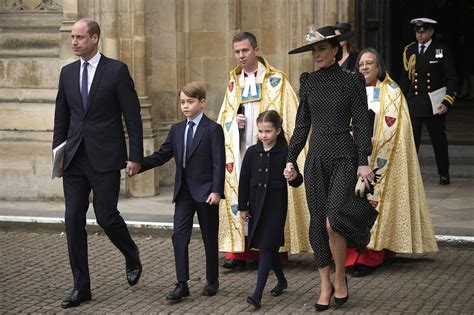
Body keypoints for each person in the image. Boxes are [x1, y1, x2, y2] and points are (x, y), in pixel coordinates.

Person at [53, 18, 143, 309]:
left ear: (94, 39)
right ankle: (81, 287)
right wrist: (58, 154)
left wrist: (135, 156)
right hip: (74, 158)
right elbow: (61, 117)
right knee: (73, 219)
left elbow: (132, 116)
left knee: (106, 217)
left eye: (80, 37)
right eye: (72, 37)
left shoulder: (116, 71)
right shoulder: (67, 73)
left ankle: (131, 253)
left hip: (105, 157)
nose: (74, 41)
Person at [286, 25, 378, 311]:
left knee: (334, 219)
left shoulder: (352, 81)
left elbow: (362, 123)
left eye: (322, 49)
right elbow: (302, 125)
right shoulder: (309, 82)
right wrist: (290, 158)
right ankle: (325, 284)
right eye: (314, 51)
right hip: (316, 159)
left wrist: (363, 161)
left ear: (336, 49)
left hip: (344, 156)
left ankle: (341, 278)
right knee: (317, 224)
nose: (317, 55)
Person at [218, 32, 311, 269]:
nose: (241, 56)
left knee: (269, 197)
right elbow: (223, 119)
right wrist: (233, 124)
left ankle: (271, 251)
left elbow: (291, 119)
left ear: (256, 50)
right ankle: (240, 253)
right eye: (237, 51)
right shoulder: (233, 82)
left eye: (245, 50)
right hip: (242, 152)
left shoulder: (277, 81)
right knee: (245, 192)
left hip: (271, 151)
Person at [345, 48, 438, 277]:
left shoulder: (392, 91)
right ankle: (352, 252)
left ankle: (370, 254)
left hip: (380, 158)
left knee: (374, 202)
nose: (364, 67)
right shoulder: (350, 90)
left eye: (369, 63)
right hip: (354, 156)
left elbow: (400, 127)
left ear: (378, 67)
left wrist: (378, 140)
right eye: (361, 64)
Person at [139, 81, 225, 303]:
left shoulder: (213, 129)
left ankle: (212, 279)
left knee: (209, 238)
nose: (185, 106)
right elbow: (163, 155)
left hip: (206, 193)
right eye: (182, 102)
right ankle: (182, 283)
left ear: (202, 102)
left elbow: (218, 162)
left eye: (190, 102)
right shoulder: (177, 130)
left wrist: (217, 191)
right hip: (183, 193)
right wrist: (139, 165)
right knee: (179, 236)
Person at [238, 110, 303, 309]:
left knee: (266, 247)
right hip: (257, 206)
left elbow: (297, 179)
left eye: (268, 131)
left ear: (277, 130)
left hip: (276, 207)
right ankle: (282, 280)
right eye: (260, 131)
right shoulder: (251, 152)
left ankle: (257, 294)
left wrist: (291, 177)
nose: (263, 135)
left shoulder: (285, 152)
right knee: (269, 247)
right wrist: (243, 207)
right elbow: (244, 182)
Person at [399, 18, 457, 185]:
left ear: (431, 32)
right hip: (415, 103)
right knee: (412, 143)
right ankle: (410, 177)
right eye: (417, 32)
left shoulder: (440, 50)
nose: (419, 35)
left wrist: (447, 102)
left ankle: (444, 173)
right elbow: (405, 80)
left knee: (439, 141)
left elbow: (451, 77)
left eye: (423, 31)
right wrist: (400, 101)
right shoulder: (409, 50)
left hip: (434, 105)